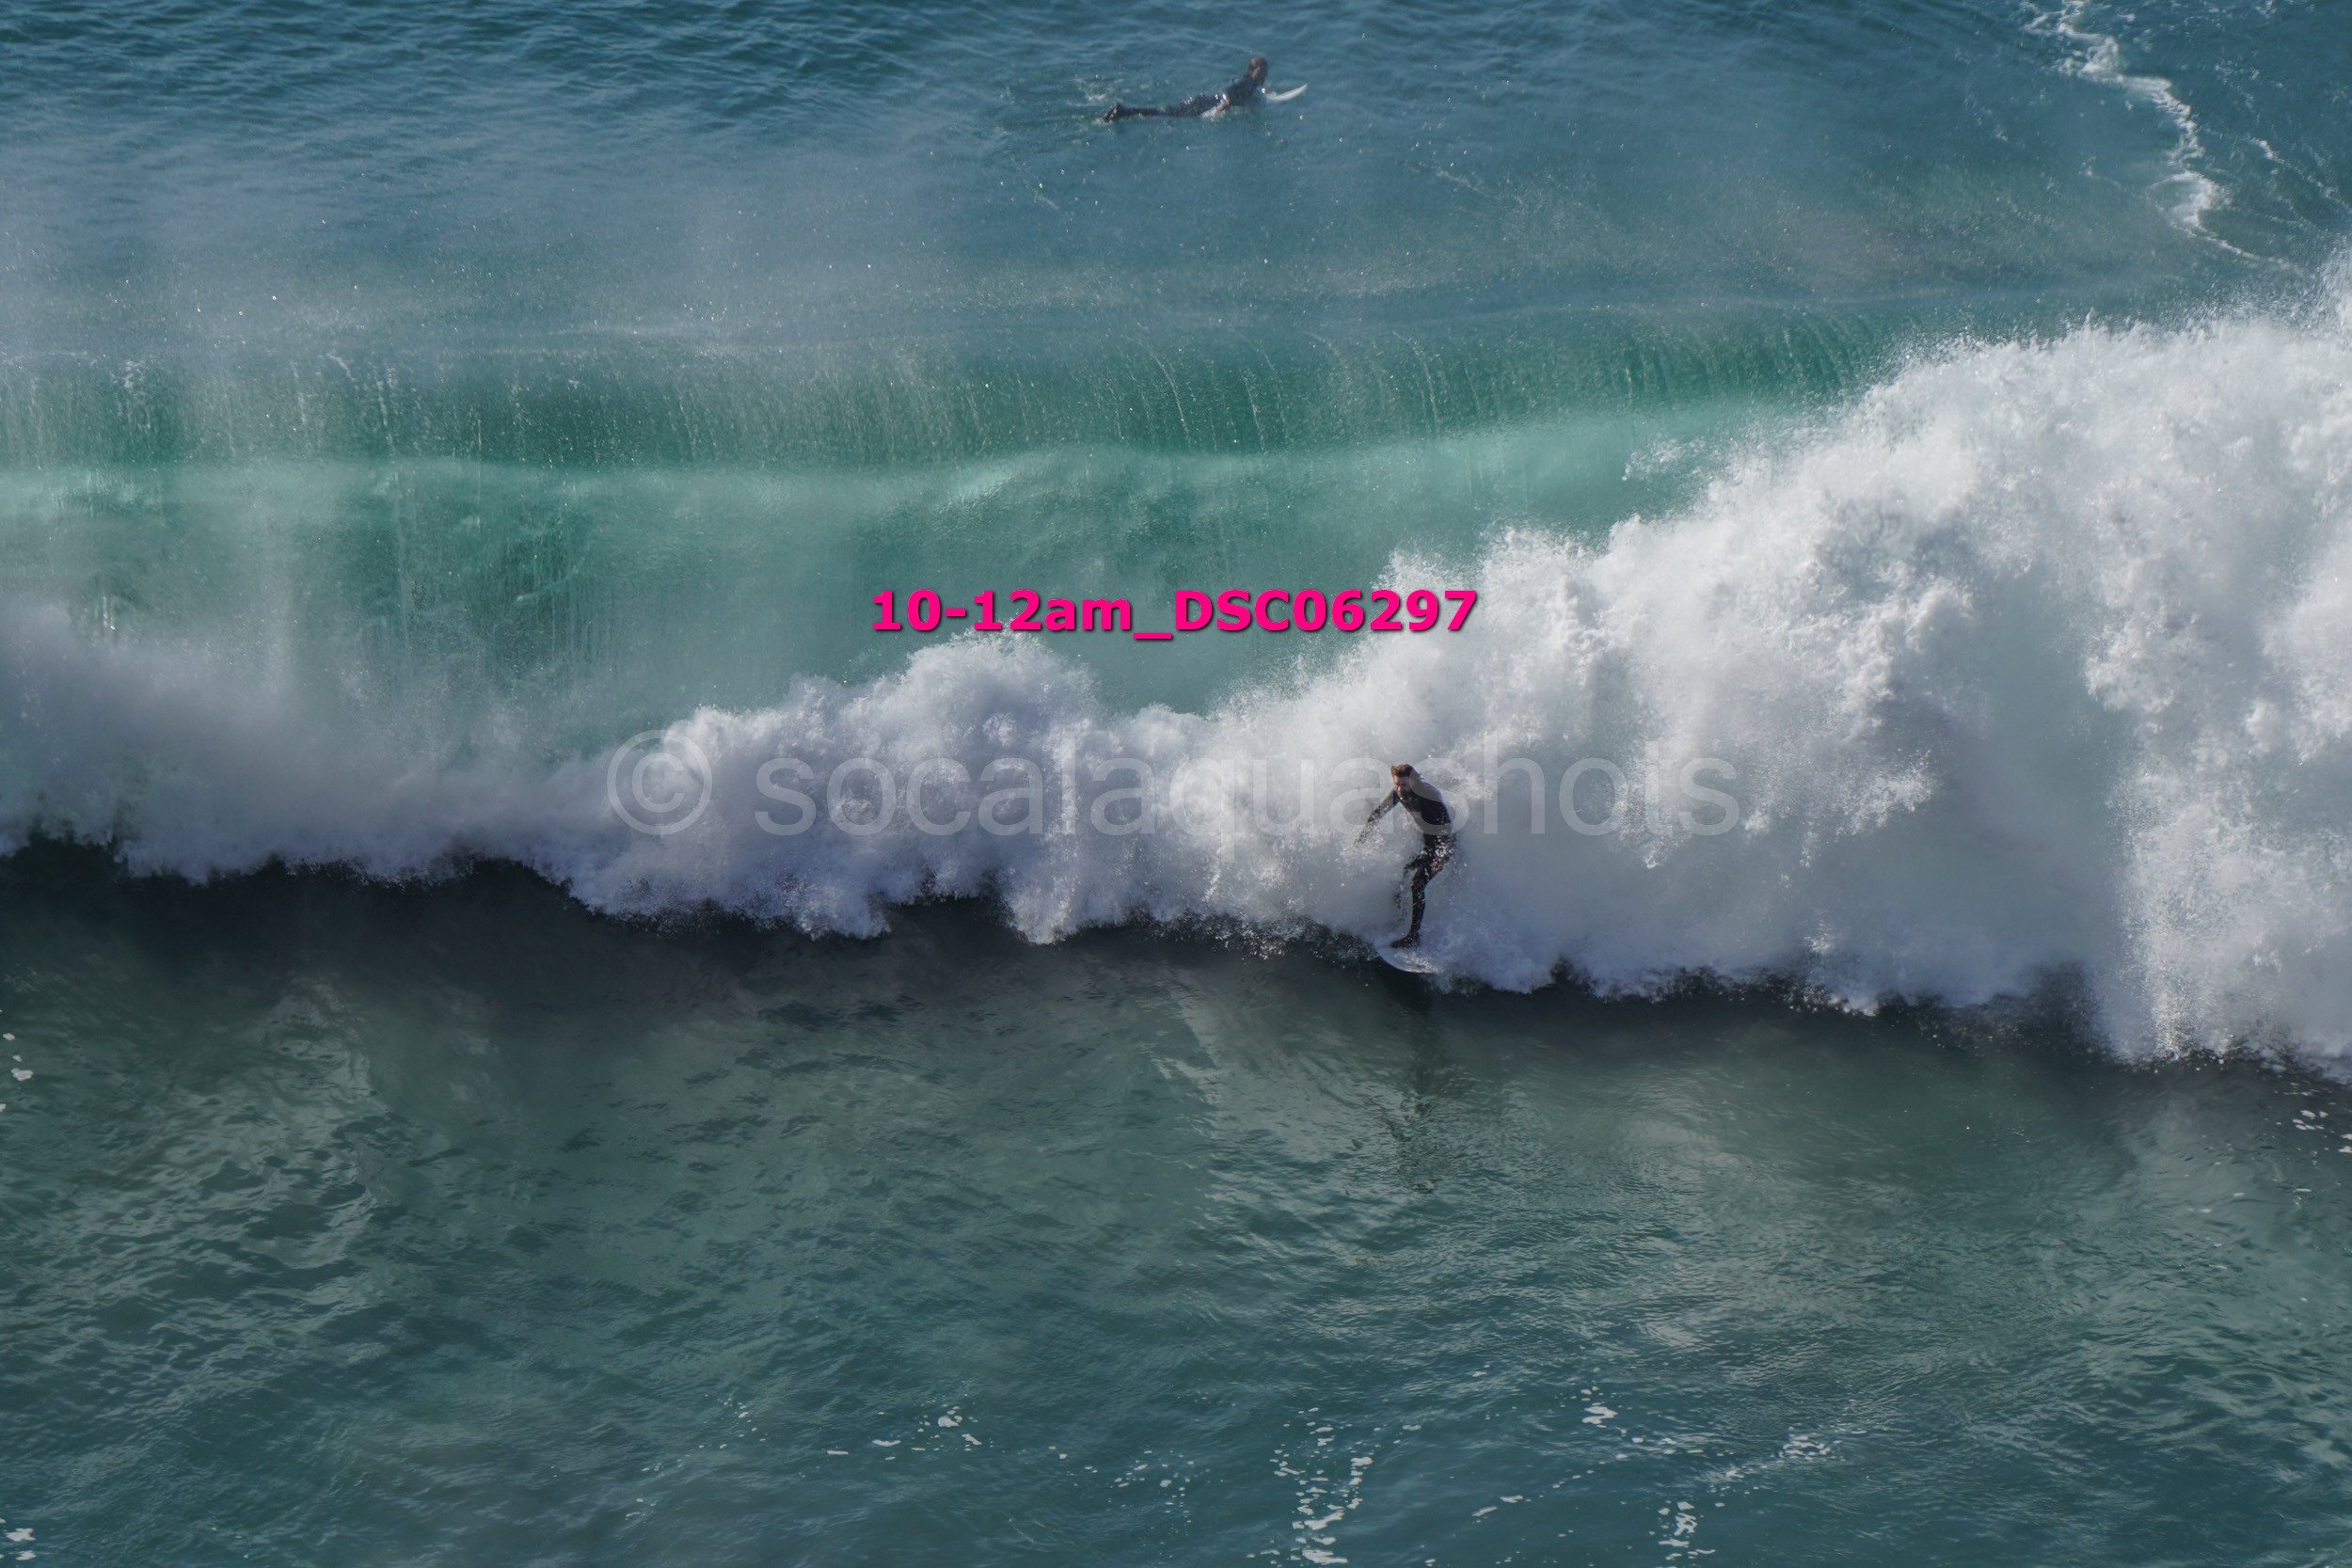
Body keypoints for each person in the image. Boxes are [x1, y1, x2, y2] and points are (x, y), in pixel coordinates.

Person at [1357, 763, 1454, 948]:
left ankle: (1414, 937)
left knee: (1417, 884)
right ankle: (1399, 916)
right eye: (1397, 784)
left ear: (1413, 782)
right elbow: (1379, 813)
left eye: (1404, 785)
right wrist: (1362, 838)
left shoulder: (1428, 796)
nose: (1400, 789)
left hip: (1444, 847)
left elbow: (1446, 829)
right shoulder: (1398, 793)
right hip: (1428, 847)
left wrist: (1440, 856)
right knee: (1403, 874)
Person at [1101, 56, 1304, 122]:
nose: (1264, 75)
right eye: (1261, 71)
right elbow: (1227, 89)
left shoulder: (1253, 84)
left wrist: (1270, 93)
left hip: (1204, 101)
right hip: (1204, 104)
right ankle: (1125, 111)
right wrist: (1225, 104)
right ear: (1251, 71)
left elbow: (1259, 92)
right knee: (1165, 115)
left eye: (1266, 71)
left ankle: (1126, 111)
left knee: (1166, 114)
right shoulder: (1245, 82)